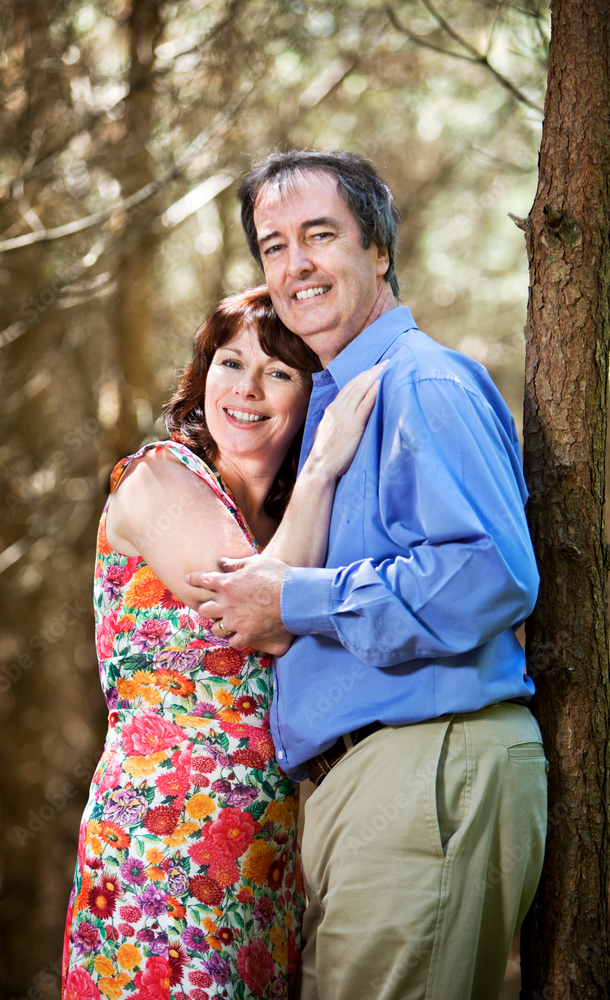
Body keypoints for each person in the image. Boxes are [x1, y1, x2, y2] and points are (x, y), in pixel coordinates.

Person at [186, 151, 549, 1000]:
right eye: (273, 246)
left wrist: (294, 600)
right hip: (369, 785)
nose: (295, 265)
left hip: (425, 765)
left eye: (319, 235)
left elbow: (487, 572)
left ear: (378, 249)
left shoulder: (421, 383)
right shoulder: (335, 403)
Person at [61, 286, 381, 999]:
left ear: (310, 395)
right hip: (160, 842)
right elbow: (263, 614)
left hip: (266, 851)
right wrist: (323, 465)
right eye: (230, 362)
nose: (246, 389)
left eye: (278, 372)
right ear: (202, 374)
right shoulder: (159, 479)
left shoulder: (293, 522)